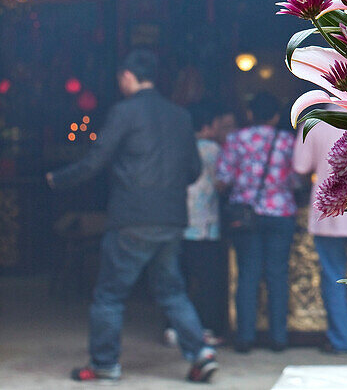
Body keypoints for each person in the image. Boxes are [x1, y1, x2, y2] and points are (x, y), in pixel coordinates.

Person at [46, 50, 218, 384]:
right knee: (172, 292)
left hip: (132, 219)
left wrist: (58, 180)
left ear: (127, 76)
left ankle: (105, 364)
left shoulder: (124, 112)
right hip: (171, 219)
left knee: (109, 295)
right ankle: (200, 353)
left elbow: (97, 161)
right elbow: (194, 171)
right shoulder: (180, 116)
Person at [215, 92, 299, 353]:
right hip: (281, 213)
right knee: (277, 274)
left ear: (250, 114)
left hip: (246, 215)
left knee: (248, 275)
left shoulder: (236, 139)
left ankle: (245, 338)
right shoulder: (287, 141)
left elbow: (223, 178)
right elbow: (296, 180)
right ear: (275, 117)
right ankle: (278, 338)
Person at [294, 119, 347, 355]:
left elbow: (301, 167)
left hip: (328, 214)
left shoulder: (313, 124)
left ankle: (340, 340)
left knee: (333, 277)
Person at [165, 101, 234, 348]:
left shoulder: (176, 148)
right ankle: (205, 329)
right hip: (205, 225)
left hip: (178, 222)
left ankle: (173, 328)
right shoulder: (214, 150)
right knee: (207, 281)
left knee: (178, 279)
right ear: (207, 126)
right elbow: (221, 183)